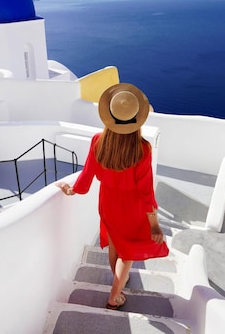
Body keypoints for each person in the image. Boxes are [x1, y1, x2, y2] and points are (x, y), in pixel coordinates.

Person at [57, 83, 169, 310]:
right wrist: (154, 223)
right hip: (133, 207)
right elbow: (146, 190)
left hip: (108, 203)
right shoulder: (142, 148)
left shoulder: (99, 140)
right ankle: (114, 296)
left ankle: (120, 279)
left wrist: (72, 190)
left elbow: (87, 174)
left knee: (115, 245)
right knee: (127, 253)